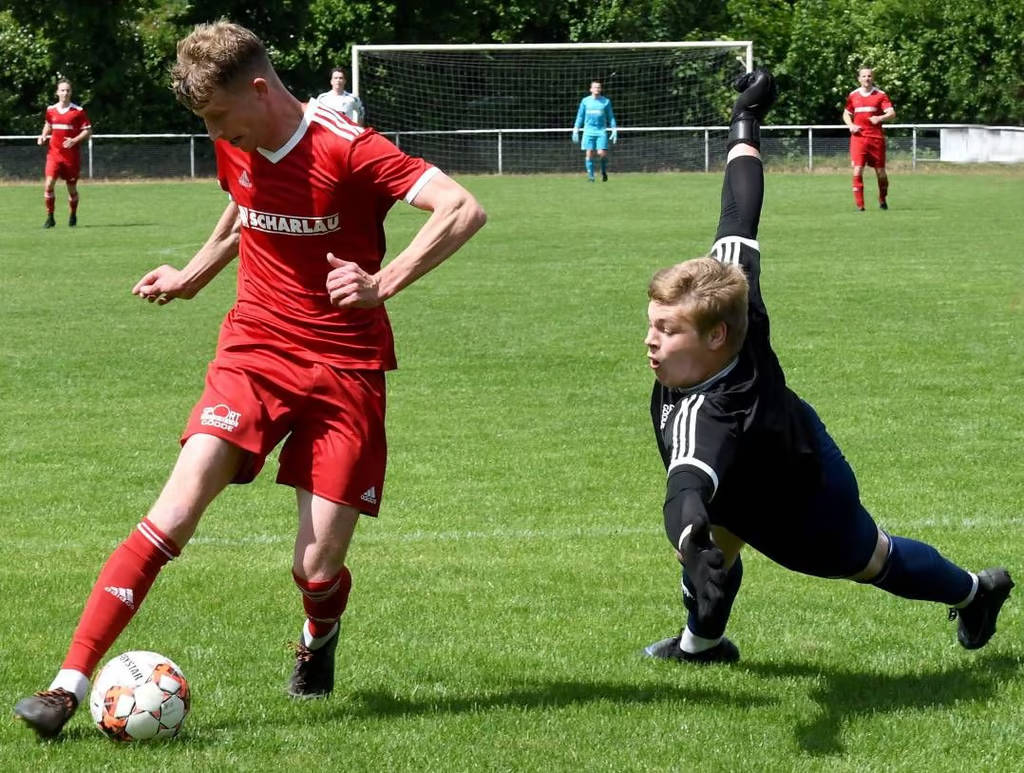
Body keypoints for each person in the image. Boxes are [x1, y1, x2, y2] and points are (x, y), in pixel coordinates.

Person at [14, 20, 485, 739]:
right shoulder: (235, 142)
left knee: (317, 564)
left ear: (259, 89)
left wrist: (383, 281)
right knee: (173, 509)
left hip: (344, 365)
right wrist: (193, 275)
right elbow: (245, 207)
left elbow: (461, 207)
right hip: (253, 350)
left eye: (218, 116)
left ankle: (318, 636)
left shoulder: (349, 150)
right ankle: (66, 684)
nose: (215, 134)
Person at [642, 69, 1012, 665]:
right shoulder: (732, 296)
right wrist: (746, 121)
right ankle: (703, 644)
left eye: (667, 329)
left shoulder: (705, 412)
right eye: (652, 323)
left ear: (714, 336)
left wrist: (687, 537)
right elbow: (740, 207)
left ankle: (976, 591)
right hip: (768, 447)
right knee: (716, 546)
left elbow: (686, 482)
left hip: (799, 491)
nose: (649, 340)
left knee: (871, 561)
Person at [38, 78, 92, 228]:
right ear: (57, 92)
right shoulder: (50, 110)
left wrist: (74, 140)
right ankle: (50, 217)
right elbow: (48, 125)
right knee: (48, 185)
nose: (65, 93)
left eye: (68, 90)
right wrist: (43, 136)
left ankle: (73, 215)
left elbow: (88, 131)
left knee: (71, 188)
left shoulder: (78, 112)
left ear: (71, 92)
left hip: (71, 157)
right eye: (62, 90)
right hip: (54, 154)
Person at [842, 67, 895, 211]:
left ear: (873, 78)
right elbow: (846, 114)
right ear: (859, 79)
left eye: (869, 76)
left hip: (876, 138)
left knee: (881, 172)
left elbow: (891, 113)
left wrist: (880, 117)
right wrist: (851, 125)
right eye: (864, 76)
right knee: (857, 170)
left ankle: (882, 199)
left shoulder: (880, 95)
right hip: (858, 139)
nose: (867, 78)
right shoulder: (853, 95)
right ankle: (860, 206)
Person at [572, 80, 617, 182]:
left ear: (600, 89)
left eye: (598, 87)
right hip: (588, 131)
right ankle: (591, 177)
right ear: (591, 89)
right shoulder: (585, 101)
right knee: (589, 153)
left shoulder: (606, 101)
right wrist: (576, 128)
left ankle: (604, 171)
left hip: (601, 131)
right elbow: (580, 116)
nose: (597, 89)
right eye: (595, 87)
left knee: (601, 153)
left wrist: (614, 128)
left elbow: (610, 117)